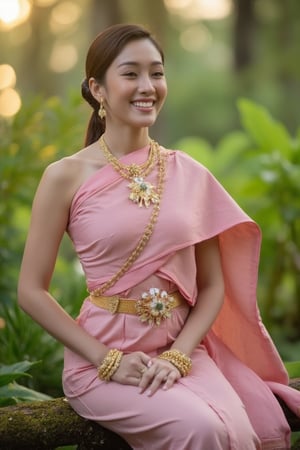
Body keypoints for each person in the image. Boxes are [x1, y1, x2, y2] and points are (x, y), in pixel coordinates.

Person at [18, 23, 300, 450]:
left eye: (157, 73)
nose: (147, 86)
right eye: (131, 74)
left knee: (239, 432)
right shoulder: (64, 177)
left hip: (181, 352)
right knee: (200, 430)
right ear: (98, 88)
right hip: (102, 361)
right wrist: (106, 359)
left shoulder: (189, 173)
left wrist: (179, 354)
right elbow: (30, 291)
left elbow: (212, 287)